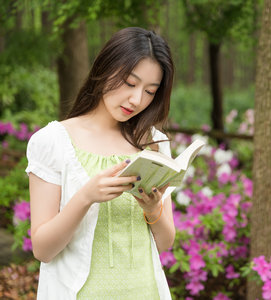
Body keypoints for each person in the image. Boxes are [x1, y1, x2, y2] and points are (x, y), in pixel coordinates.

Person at [25, 27, 175, 300]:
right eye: (130, 83)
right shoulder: (53, 141)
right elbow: (42, 250)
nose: (137, 100)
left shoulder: (154, 143)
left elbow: (164, 243)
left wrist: (154, 209)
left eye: (150, 91)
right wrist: (86, 197)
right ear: (105, 68)